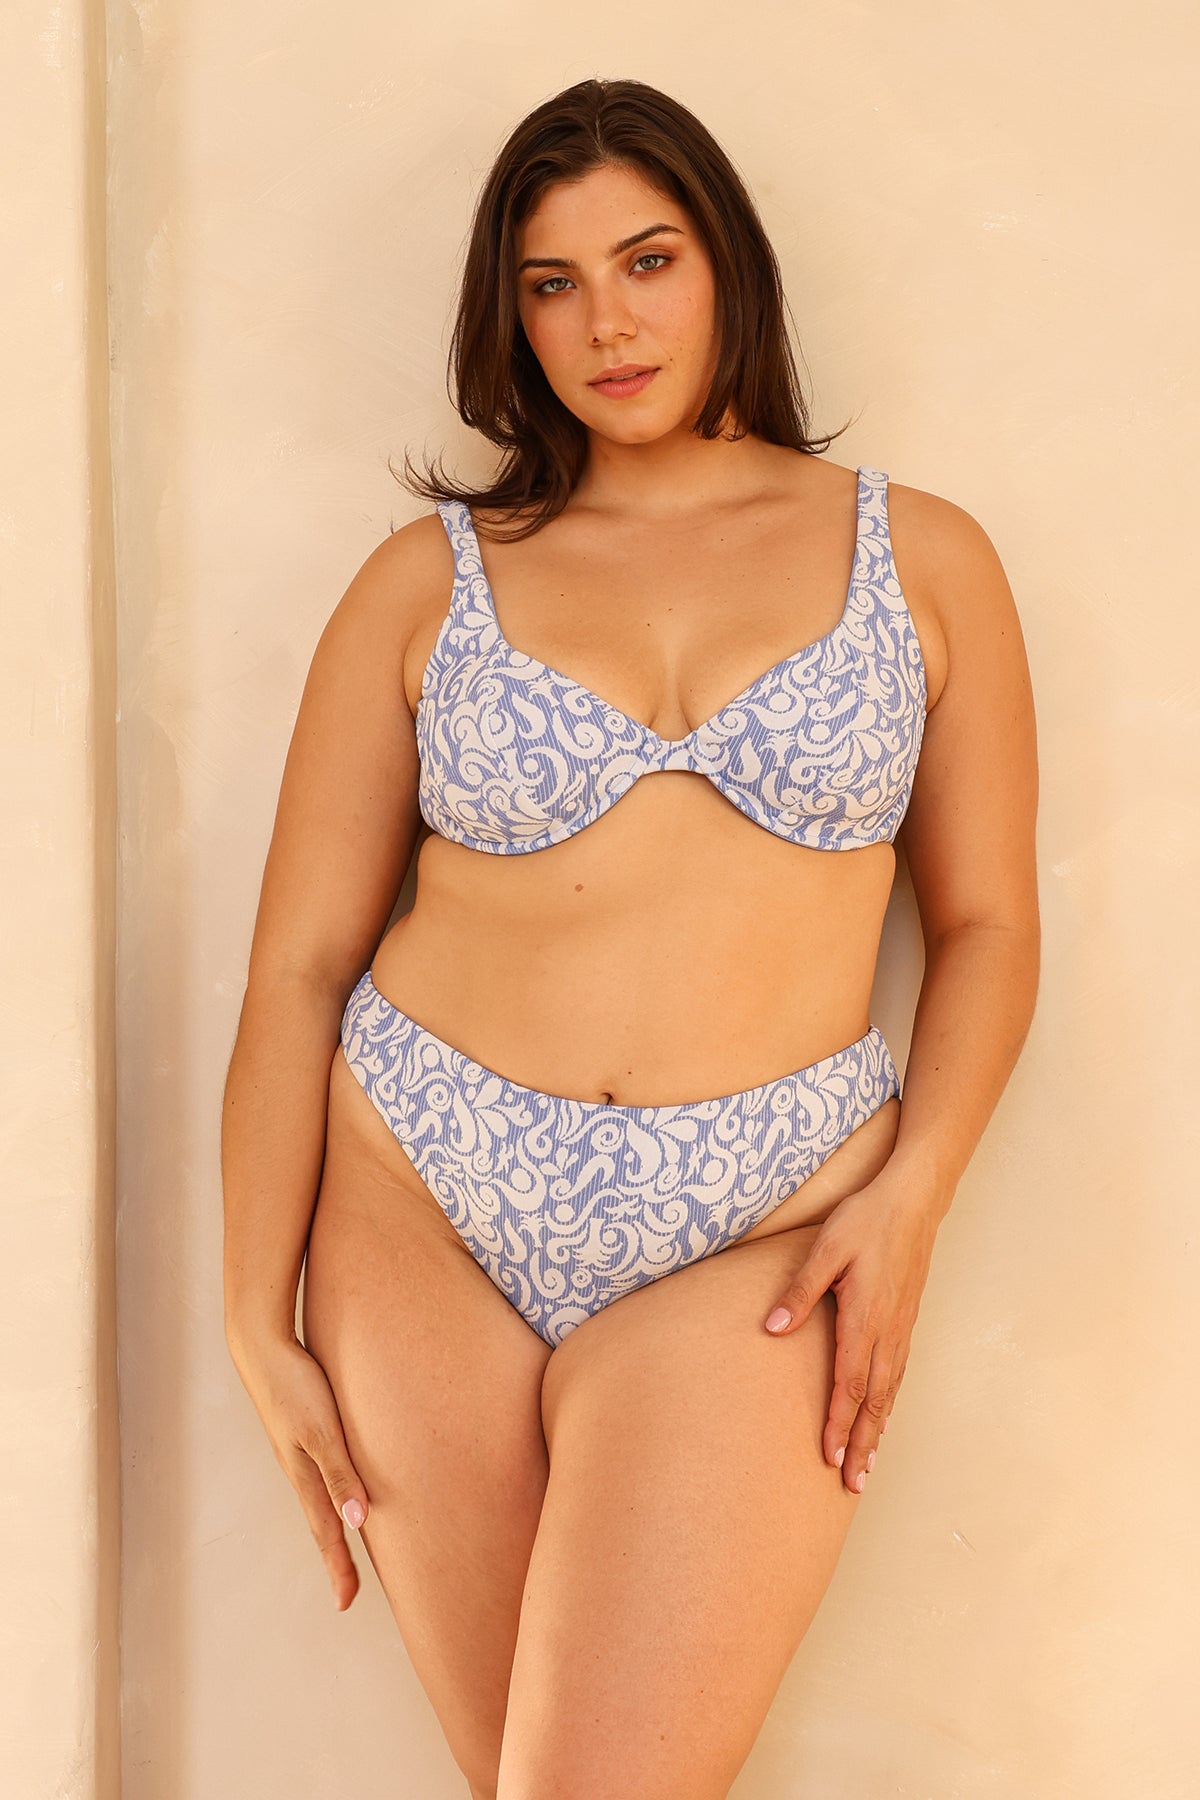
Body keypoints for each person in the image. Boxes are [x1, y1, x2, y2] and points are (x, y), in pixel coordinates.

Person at [222, 76, 1039, 1800]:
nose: (607, 322)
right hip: (427, 1188)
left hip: (772, 1217)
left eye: (648, 260)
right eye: (553, 282)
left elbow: (983, 923)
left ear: (726, 262)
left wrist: (913, 1200)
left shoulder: (924, 559)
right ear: (510, 317)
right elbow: (295, 965)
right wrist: (251, 1316)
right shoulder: (425, 580)